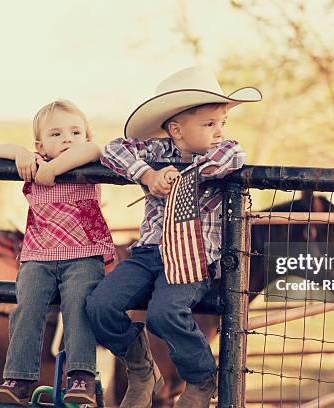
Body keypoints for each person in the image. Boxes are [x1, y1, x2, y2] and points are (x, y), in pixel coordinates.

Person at [86, 66, 261, 407]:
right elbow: (112, 149)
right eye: (209, 124)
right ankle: (140, 369)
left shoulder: (222, 152)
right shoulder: (153, 152)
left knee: (164, 313)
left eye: (222, 123)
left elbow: (233, 157)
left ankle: (200, 377)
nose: (219, 132)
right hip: (149, 252)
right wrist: (149, 175)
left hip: (191, 256)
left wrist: (181, 175)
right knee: (100, 305)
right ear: (177, 129)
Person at [0, 99, 115, 406]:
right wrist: (20, 154)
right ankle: (19, 378)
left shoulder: (88, 162)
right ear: (40, 145)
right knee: (27, 307)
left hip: (83, 254)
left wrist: (55, 168)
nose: (68, 139)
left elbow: (94, 148)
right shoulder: (33, 162)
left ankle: (81, 377)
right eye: (56, 134)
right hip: (38, 256)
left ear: (85, 136)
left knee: (79, 307)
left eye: (75, 131)